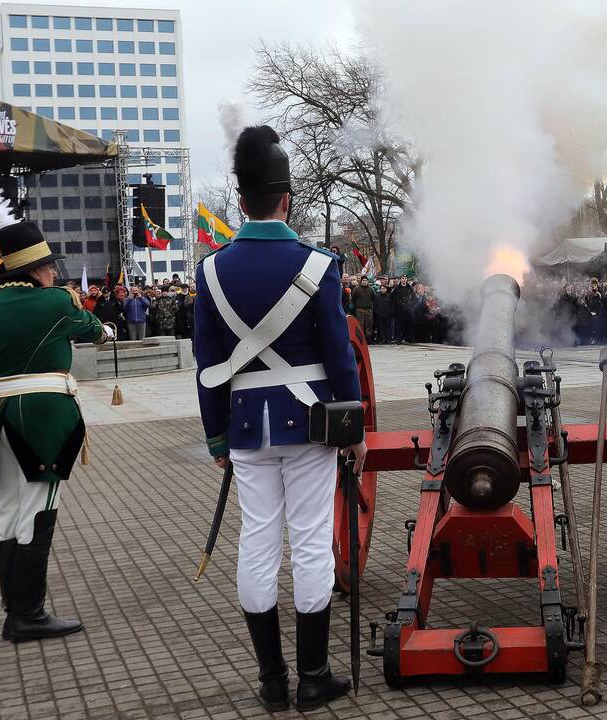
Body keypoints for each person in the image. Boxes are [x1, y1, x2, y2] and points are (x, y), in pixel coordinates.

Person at [193, 125, 364, 713]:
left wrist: (215, 434)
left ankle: (272, 683)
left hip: (245, 426)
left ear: (240, 201)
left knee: (257, 543)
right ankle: (314, 678)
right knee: (313, 541)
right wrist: (355, 426)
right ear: (285, 198)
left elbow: (208, 363)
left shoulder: (211, 272)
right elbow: (340, 357)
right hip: (312, 423)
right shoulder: (317, 264)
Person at [0, 190, 115, 644]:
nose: (53, 272)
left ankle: (14, 609)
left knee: (5, 514)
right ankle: (29, 613)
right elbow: (91, 330)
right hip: (41, 421)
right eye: (49, 266)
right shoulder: (59, 302)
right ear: (35, 269)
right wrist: (105, 329)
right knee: (38, 512)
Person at [351, 275, 375, 341]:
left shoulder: (371, 289)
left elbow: (373, 299)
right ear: (361, 281)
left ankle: (368, 339)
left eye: (366, 280)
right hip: (360, 310)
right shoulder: (357, 289)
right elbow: (353, 298)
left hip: (368, 310)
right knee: (360, 325)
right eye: (363, 280)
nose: (365, 282)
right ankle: (360, 340)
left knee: (369, 325)